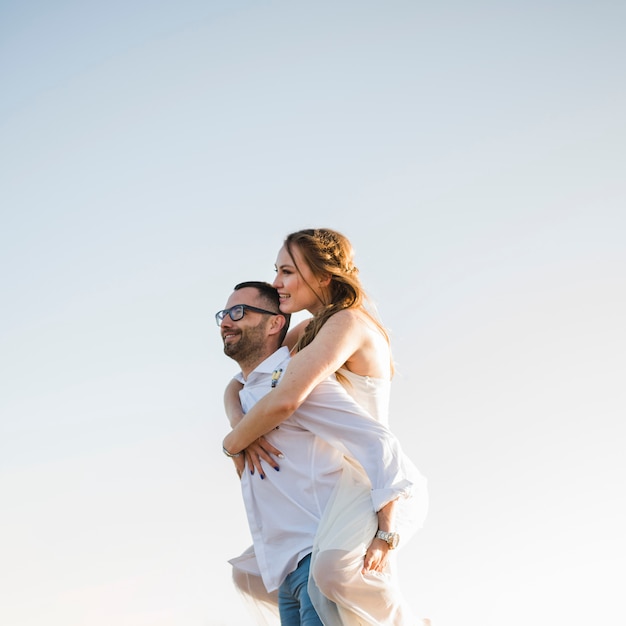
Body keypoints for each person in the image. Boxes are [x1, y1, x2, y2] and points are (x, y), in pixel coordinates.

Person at [222, 228, 429, 626]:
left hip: (368, 473)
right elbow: (242, 383)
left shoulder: (347, 323)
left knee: (332, 572)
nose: (276, 283)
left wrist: (234, 442)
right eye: (276, 271)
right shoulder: (308, 330)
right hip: (344, 471)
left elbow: (285, 399)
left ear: (322, 276)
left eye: (287, 271)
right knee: (282, 576)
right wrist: (239, 422)